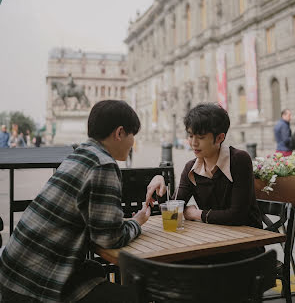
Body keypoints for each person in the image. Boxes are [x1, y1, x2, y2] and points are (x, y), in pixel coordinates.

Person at [0, 100, 150, 302]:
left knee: (94, 271)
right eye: (133, 135)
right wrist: (137, 223)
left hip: (14, 273)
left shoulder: (81, 154)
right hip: (34, 286)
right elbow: (108, 238)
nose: (133, 143)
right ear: (120, 133)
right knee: (133, 297)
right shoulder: (103, 164)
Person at [146, 102, 263, 262]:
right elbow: (173, 210)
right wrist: (161, 185)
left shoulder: (239, 160)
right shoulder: (191, 169)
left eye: (200, 137)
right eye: (190, 135)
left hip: (245, 246)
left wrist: (197, 214)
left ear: (220, 137)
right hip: (212, 242)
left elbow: (237, 216)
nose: (193, 143)